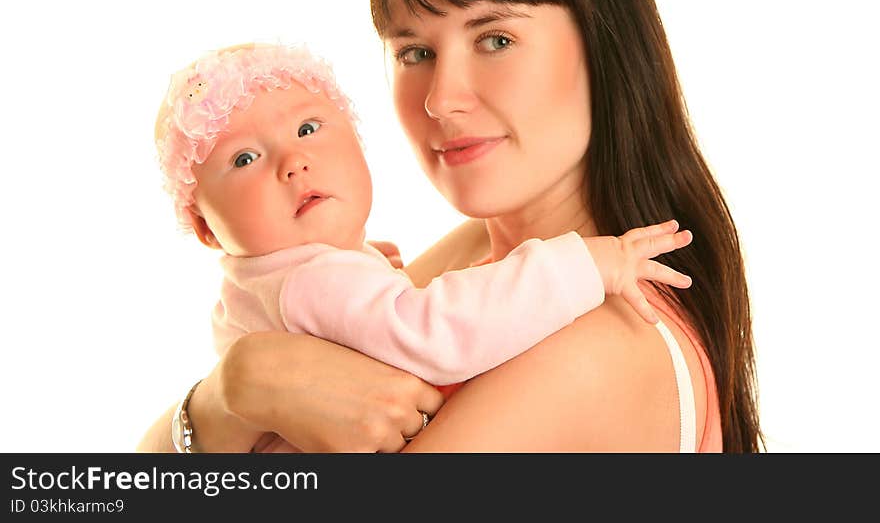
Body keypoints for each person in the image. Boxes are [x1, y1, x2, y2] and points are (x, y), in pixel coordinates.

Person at [138, 0, 762, 453]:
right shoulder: (473, 263)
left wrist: (246, 390)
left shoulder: (599, 343)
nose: (441, 99)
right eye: (414, 53)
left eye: (496, 39)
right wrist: (230, 396)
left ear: (605, 49)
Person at [153, 41, 693, 452]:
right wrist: (584, 264)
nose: (293, 162)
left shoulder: (603, 347)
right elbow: (439, 329)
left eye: (309, 127)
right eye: (244, 160)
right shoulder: (322, 281)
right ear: (205, 228)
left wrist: (229, 398)